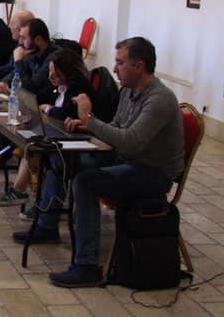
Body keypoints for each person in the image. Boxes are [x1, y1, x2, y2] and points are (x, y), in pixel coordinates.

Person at [15, 37, 184, 289]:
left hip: (152, 173)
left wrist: (90, 120)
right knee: (60, 158)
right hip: (126, 159)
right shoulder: (128, 91)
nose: (114, 69)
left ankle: (87, 266)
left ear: (139, 66)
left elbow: (130, 142)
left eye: (120, 63)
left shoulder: (159, 99)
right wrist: (86, 126)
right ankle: (47, 226)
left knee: (86, 182)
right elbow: (116, 127)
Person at [0, 49, 92, 209]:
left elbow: (66, 112)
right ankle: (29, 195)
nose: (50, 77)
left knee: (38, 150)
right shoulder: (57, 86)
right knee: (29, 143)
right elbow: (38, 98)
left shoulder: (80, 88)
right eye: (50, 72)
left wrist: (48, 109)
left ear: (68, 74)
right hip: (57, 133)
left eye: (55, 74)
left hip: (72, 140)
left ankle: (37, 200)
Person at [0, 18, 60, 96]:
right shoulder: (32, 53)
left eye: (24, 38)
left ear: (38, 40)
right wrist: (3, 83)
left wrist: (18, 61)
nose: (20, 42)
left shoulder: (55, 59)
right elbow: (15, 73)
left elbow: (31, 88)